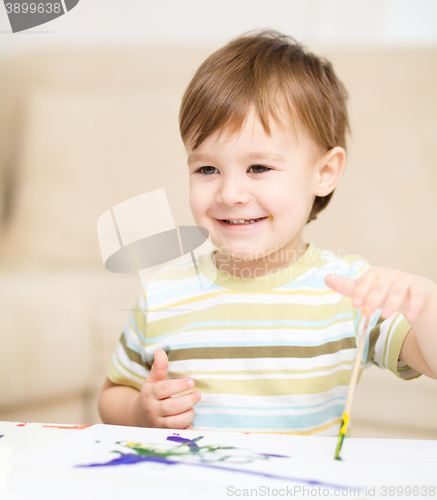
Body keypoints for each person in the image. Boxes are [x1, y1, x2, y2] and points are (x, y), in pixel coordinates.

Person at [98, 29, 437, 435]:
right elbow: (111, 393)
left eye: (259, 167)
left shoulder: (350, 292)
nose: (230, 193)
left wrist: (426, 307)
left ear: (323, 173)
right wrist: (139, 412)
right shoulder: (164, 291)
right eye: (207, 169)